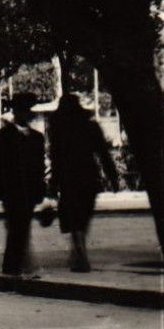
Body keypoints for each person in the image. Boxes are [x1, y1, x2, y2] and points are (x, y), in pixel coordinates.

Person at [48, 94, 119, 273]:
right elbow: (104, 154)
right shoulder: (91, 127)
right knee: (83, 218)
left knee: (74, 219)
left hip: (68, 178)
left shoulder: (58, 129)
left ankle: (80, 254)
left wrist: (54, 183)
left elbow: (56, 158)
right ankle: (79, 253)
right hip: (88, 177)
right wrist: (113, 177)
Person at [0, 94, 47, 277]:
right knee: (18, 226)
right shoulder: (1, 137)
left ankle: (15, 266)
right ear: (17, 112)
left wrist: (41, 190)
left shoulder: (37, 138)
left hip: (30, 191)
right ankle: (16, 267)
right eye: (25, 110)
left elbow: (40, 167)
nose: (29, 114)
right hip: (10, 190)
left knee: (20, 227)